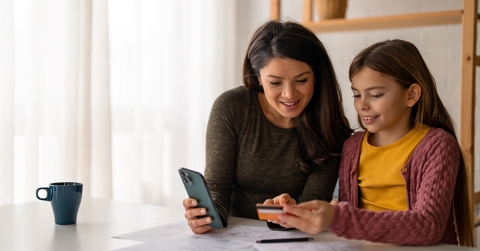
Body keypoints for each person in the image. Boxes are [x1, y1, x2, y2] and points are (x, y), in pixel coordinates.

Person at [269, 39, 474, 246]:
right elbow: (349, 223)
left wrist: (337, 217)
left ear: (411, 95)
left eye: (375, 95)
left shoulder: (438, 146)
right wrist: (296, 215)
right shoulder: (352, 147)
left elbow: (428, 226)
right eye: (356, 95)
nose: (362, 105)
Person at [182, 20, 353, 234]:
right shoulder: (231, 107)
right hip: (232, 234)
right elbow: (218, 185)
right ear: (258, 77)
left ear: (317, 77)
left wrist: (293, 212)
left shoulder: (330, 125)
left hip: (294, 238)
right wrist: (205, 216)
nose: (289, 94)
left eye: (301, 80)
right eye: (275, 83)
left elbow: (314, 202)